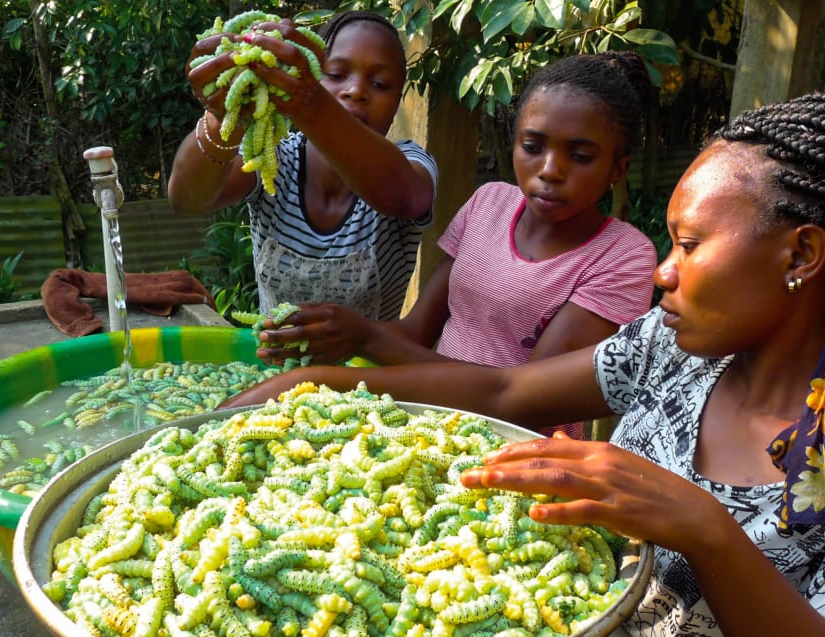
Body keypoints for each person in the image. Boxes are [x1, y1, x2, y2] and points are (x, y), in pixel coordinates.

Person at [222, 93, 825, 637]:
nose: (662, 268)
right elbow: (503, 389)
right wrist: (332, 383)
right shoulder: (677, 351)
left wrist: (704, 528)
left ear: (801, 253)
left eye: (691, 244)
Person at [252, 53, 659, 437]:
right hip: (428, 427)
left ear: (617, 169)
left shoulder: (623, 257)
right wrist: (328, 334)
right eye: (533, 148)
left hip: (516, 453)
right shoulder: (489, 203)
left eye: (581, 156)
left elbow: (522, 399)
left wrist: (362, 341)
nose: (550, 171)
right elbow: (414, 332)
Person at [167, 11, 437, 322]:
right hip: (275, 367)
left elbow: (402, 197)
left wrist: (309, 102)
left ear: (397, 100)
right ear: (312, 73)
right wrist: (223, 115)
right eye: (335, 75)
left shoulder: (410, 164)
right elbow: (187, 199)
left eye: (379, 83)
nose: (356, 91)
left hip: (368, 372)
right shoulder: (272, 158)